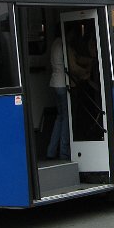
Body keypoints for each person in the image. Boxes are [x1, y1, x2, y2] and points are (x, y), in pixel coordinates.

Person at [46, 32, 70, 161]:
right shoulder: (63, 44)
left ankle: (51, 150)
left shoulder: (54, 44)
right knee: (66, 118)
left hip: (54, 83)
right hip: (62, 84)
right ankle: (64, 152)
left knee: (59, 118)